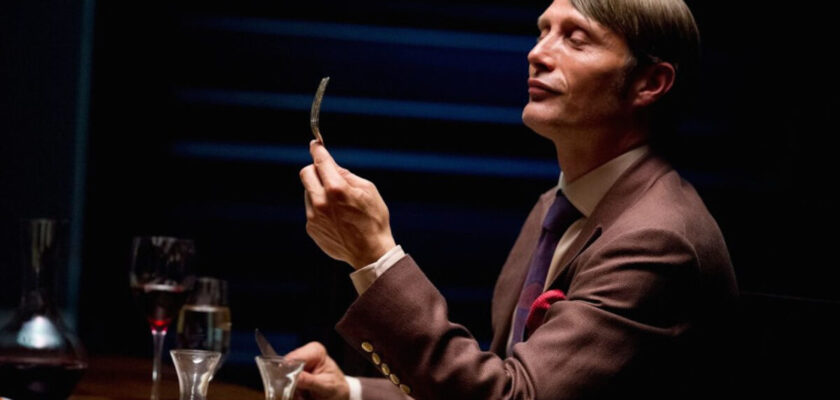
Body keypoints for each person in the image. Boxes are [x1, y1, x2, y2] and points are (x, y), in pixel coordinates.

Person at [294, 0, 739, 399]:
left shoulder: (658, 239)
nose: (537, 53)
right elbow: (500, 376)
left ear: (650, 82)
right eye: (543, 31)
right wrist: (350, 391)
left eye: (575, 38)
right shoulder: (556, 207)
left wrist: (375, 256)